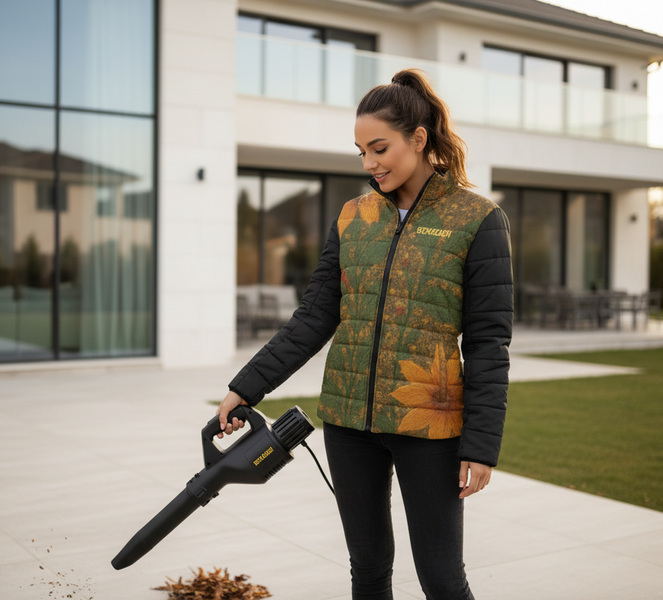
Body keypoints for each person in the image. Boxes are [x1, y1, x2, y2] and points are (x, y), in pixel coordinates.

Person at [217, 68, 513, 600]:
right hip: (349, 423)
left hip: (429, 426)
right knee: (369, 571)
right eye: (360, 152)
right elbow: (314, 316)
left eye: (380, 148)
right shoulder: (354, 218)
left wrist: (482, 446)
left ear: (418, 139)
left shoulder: (477, 219)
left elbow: (489, 343)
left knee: (442, 581)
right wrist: (247, 386)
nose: (369, 163)